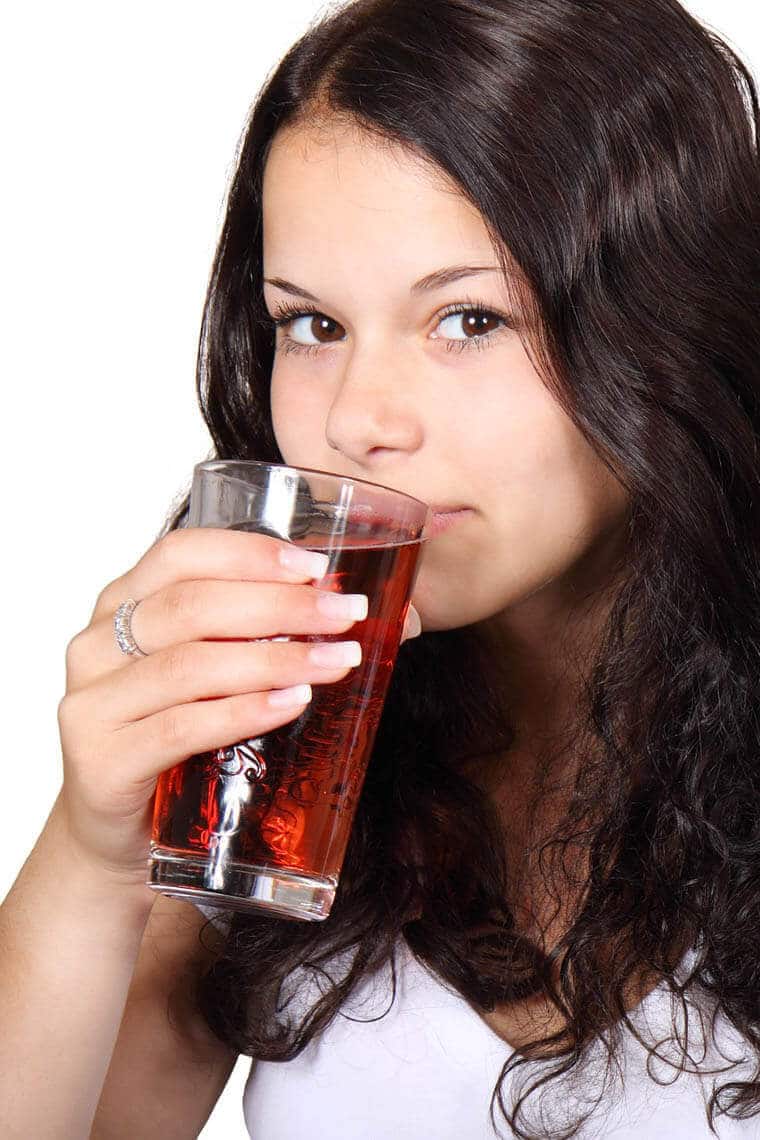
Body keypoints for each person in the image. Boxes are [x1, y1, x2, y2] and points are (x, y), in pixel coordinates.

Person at [2, 0, 760, 1136]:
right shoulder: (280, 730)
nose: (358, 421)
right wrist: (91, 852)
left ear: (666, 319)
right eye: (311, 326)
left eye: (467, 319)